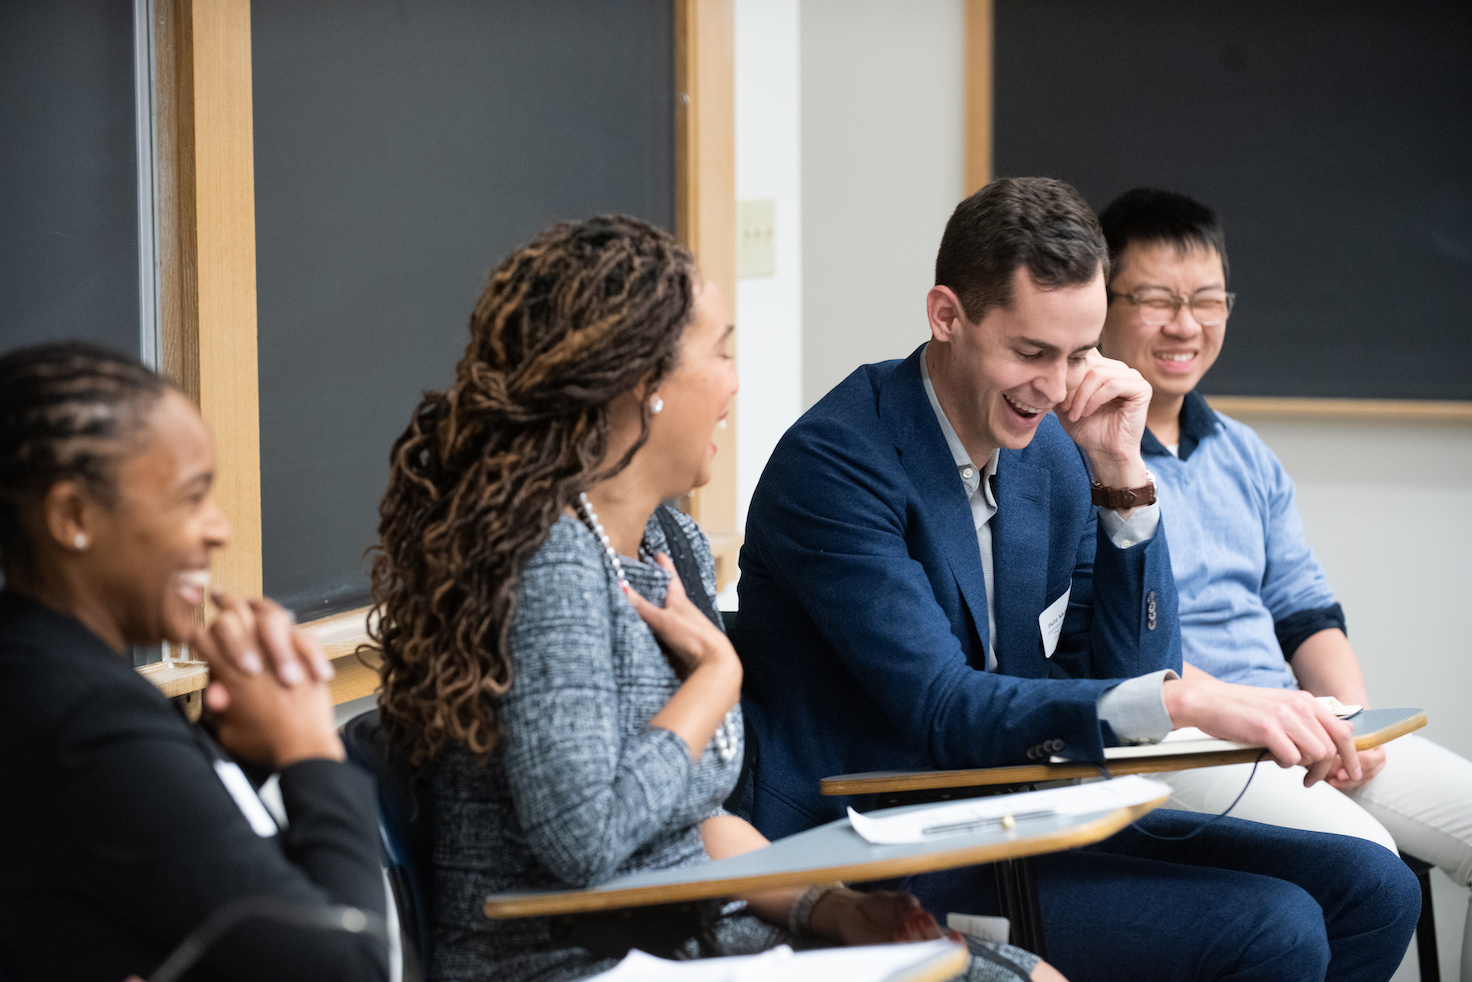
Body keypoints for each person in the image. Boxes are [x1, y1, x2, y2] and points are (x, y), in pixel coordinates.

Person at [735, 177, 1422, 981]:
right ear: (947, 315)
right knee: (1273, 928)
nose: (1059, 389)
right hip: (882, 840)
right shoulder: (838, 462)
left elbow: (1133, 668)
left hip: (1027, 812)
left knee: (1376, 887)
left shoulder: (1055, 450)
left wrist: (1122, 475)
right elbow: (942, 707)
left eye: (1080, 354)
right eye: (1031, 352)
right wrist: (1186, 698)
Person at [368, 215, 1065, 981]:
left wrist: (834, 908)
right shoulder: (550, 561)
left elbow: (695, 824)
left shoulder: (671, 543)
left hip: (701, 943)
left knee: (1023, 973)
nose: (736, 382)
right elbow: (586, 839)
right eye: (722, 351)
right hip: (580, 965)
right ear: (644, 383)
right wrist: (714, 682)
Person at [1098, 185, 1472, 979]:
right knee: (1368, 859)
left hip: (1301, 722)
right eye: (1158, 300)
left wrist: (1351, 726)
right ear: (1102, 301)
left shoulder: (1245, 453)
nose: (1186, 326)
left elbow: (1307, 615)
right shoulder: (1079, 455)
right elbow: (1111, 644)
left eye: (1206, 300)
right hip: (1187, 735)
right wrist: (1271, 719)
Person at [0, 343, 388, 981]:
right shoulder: (88, 719)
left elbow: (148, 848)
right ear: (73, 516)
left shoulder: (43, 671)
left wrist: (233, 749)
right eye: (191, 497)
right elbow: (351, 967)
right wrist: (310, 746)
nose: (219, 530)